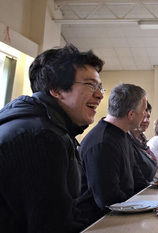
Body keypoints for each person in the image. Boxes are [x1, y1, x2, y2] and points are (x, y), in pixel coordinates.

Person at [0, 44, 104, 233]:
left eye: (100, 86)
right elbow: (51, 226)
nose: (100, 94)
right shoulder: (41, 137)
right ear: (56, 89)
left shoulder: (44, 125)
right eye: (91, 85)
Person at [77, 83, 149, 224]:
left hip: (122, 213)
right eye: (144, 110)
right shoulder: (102, 143)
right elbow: (109, 199)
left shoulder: (122, 135)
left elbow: (138, 179)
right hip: (100, 222)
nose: (145, 115)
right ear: (131, 114)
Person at [129, 101, 158, 182]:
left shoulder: (143, 141)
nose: (145, 120)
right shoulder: (127, 140)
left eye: (148, 117)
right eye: (142, 116)